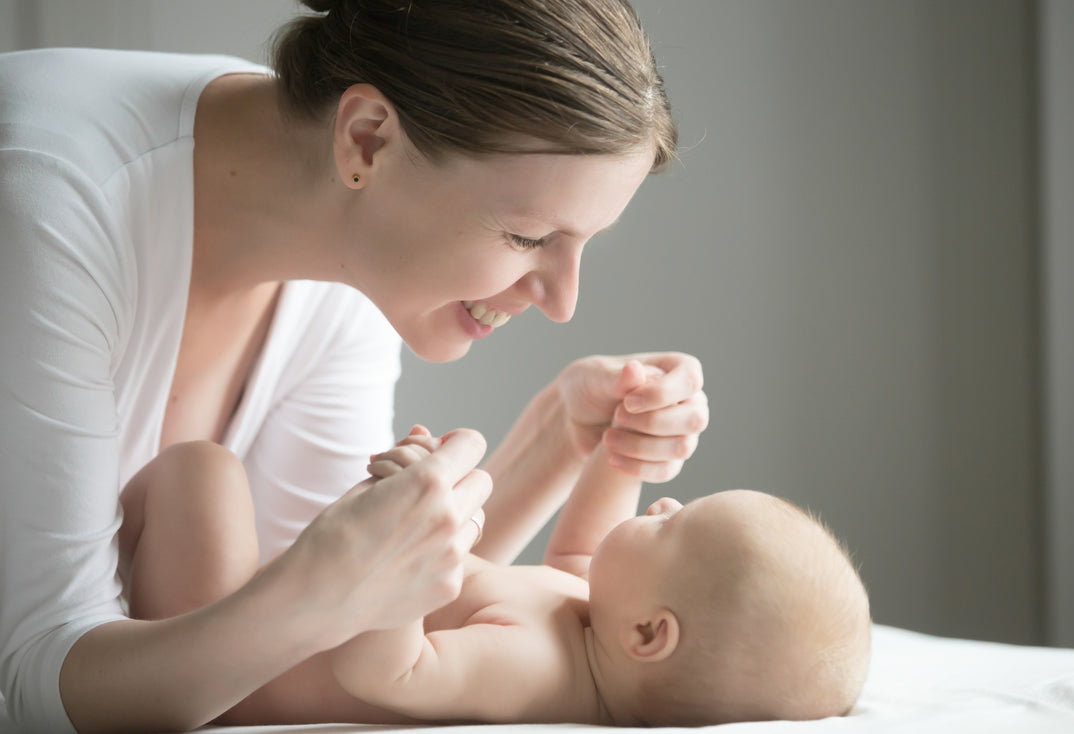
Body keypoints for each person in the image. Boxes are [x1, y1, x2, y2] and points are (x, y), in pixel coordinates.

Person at [0, 1, 709, 733]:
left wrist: (563, 433)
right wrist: (329, 582)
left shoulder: (345, 254)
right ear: (366, 139)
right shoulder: (48, 207)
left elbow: (338, 624)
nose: (563, 301)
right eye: (529, 236)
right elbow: (41, 688)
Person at [121, 400, 871, 727]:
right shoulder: (593, 626)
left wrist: (401, 549)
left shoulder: (533, 666)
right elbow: (584, 552)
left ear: (650, 635)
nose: (665, 508)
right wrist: (620, 449)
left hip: (229, 671)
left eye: (677, 527)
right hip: (261, 624)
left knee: (203, 472)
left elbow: (390, 673)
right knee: (205, 476)